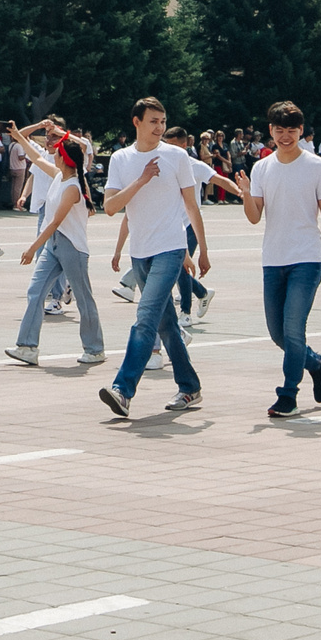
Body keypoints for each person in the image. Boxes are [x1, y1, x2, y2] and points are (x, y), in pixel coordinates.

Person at [98, 97, 208, 420]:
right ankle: (190, 385)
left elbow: (191, 205)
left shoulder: (177, 157)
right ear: (137, 122)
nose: (159, 127)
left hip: (170, 248)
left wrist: (202, 248)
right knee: (166, 324)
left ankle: (123, 389)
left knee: (145, 318)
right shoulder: (121, 159)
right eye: (153, 121)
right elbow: (110, 207)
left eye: (162, 121)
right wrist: (142, 179)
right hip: (140, 252)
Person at [243, 101, 321, 417]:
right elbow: (254, 217)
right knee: (278, 334)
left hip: (307, 258)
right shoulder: (262, 168)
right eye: (279, 130)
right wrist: (246, 193)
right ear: (271, 131)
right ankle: (315, 363)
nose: (285, 136)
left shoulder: (316, 166)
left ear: (301, 131)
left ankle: (287, 394)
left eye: (291, 130)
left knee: (293, 328)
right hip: (273, 259)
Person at [3, 130, 105, 367]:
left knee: (83, 298)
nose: (52, 154)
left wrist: (32, 248)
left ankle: (95, 348)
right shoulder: (60, 175)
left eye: (57, 153)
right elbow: (37, 160)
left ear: (65, 159)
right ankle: (27, 347)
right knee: (35, 291)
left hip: (72, 247)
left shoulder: (72, 187)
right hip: (54, 246)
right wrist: (18, 136)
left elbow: (55, 222)